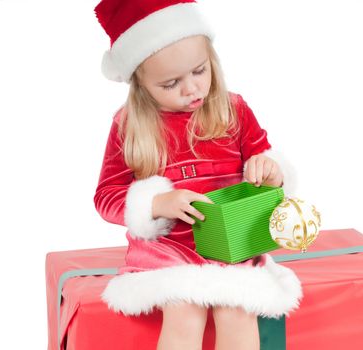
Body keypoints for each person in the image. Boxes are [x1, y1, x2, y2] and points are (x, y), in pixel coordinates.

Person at [93, 0, 302, 349]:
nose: (191, 89)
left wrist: (268, 170)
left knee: (238, 309)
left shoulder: (232, 109)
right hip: (170, 249)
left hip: (233, 243)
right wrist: (159, 202)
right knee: (185, 309)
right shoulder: (129, 125)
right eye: (171, 83)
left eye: (199, 71)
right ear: (141, 83)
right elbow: (106, 196)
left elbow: (263, 161)